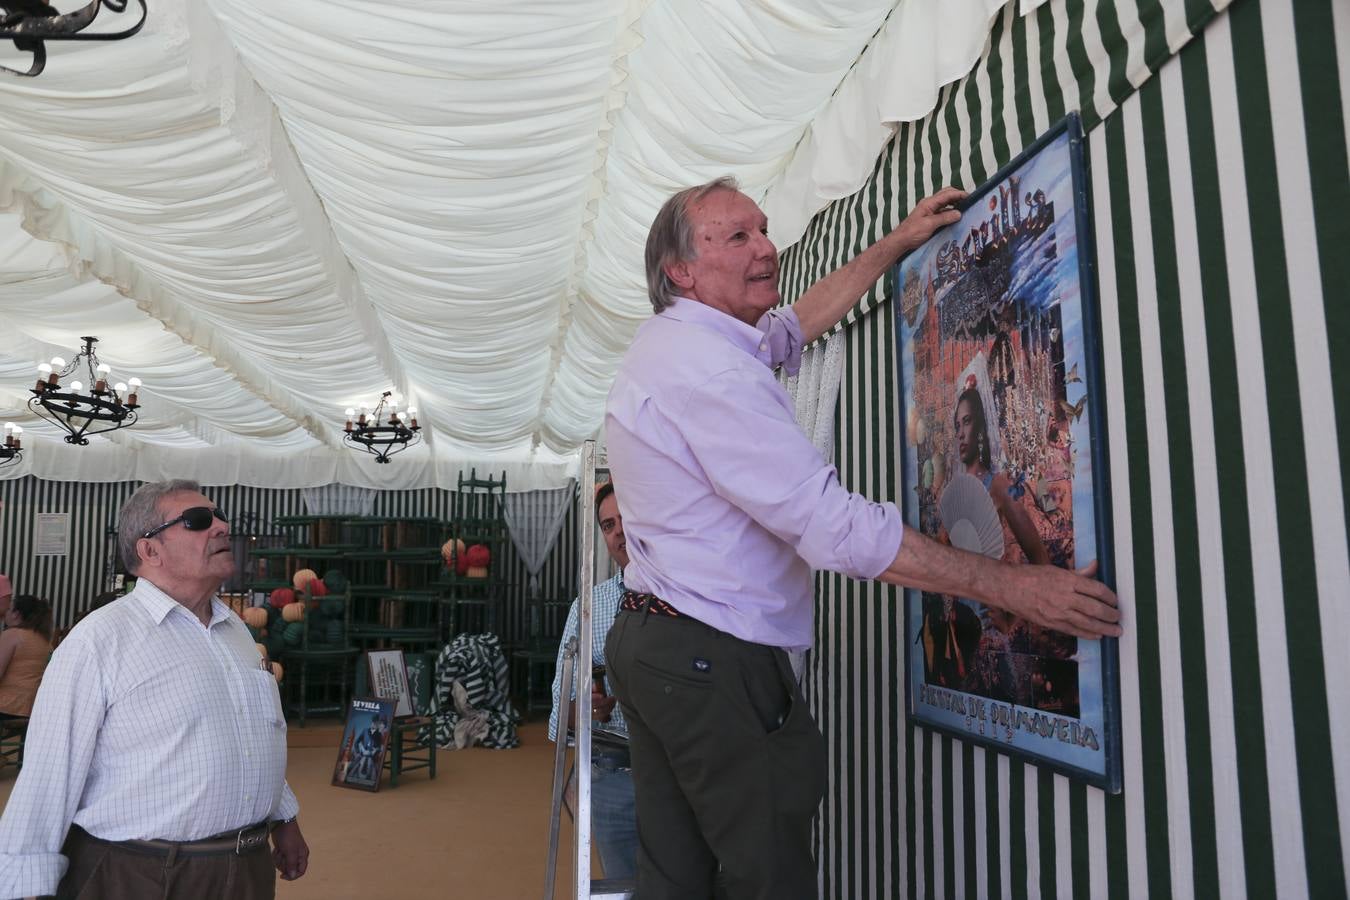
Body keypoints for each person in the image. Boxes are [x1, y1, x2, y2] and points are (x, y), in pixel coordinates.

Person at [604, 177, 1122, 900]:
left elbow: (794, 326)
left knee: (676, 878)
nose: (767, 247)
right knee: (769, 879)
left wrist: (896, 242)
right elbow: (833, 527)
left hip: (657, 643)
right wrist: (1014, 584)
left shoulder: (687, 341)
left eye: (764, 228)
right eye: (738, 237)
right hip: (707, 659)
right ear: (681, 271)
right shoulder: (708, 373)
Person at [0, 479, 309, 900]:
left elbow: (253, 733)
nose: (220, 527)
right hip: (142, 873)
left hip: (247, 869)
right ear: (149, 550)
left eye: (220, 517)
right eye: (198, 520)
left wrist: (284, 819)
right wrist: (24, 888)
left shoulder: (234, 629)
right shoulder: (99, 640)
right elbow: (49, 776)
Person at [548, 480, 636, 881]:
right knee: (622, 886)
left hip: (680, 779)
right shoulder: (589, 606)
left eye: (626, 518)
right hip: (612, 781)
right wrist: (583, 706)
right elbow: (559, 710)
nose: (618, 531)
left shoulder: (693, 597)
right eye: (607, 525)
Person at [0, 594, 52, 718]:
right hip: (32, 709)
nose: (4, 613)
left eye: (8, 609)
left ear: (16, 614)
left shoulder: (12, 635)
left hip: (6, 706)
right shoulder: (45, 641)